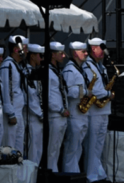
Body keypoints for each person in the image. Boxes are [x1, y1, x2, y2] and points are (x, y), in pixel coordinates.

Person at [83, 38, 113, 182]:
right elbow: (94, 89)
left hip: (104, 109)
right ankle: (91, 175)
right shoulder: (88, 66)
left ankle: (98, 172)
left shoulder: (101, 66)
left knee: (99, 145)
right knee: (92, 143)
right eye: (101, 47)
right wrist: (108, 94)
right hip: (94, 111)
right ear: (93, 49)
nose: (103, 50)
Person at [62, 41, 91, 173]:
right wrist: (86, 92)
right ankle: (70, 174)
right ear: (74, 53)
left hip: (81, 114)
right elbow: (69, 91)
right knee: (71, 148)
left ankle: (75, 172)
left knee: (78, 147)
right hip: (74, 114)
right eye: (83, 51)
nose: (86, 53)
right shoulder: (69, 70)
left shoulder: (79, 69)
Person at [0, 35, 28, 152]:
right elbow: (6, 90)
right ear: (17, 49)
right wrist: (10, 113)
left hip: (19, 110)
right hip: (12, 111)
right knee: (10, 146)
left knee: (19, 146)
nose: (27, 51)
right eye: (25, 48)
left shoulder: (17, 65)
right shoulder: (8, 65)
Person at [47, 41, 70, 172]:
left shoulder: (56, 71)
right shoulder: (48, 72)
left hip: (62, 114)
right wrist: (60, 109)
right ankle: (52, 173)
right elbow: (48, 95)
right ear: (53, 55)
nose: (64, 56)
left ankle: (54, 170)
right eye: (60, 54)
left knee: (57, 148)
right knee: (52, 148)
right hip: (55, 114)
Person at [24, 43, 45, 165]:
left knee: (38, 148)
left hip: (40, 114)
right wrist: (40, 113)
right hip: (33, 115)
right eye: (39, 56)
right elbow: (30, 96)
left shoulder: (37, 71)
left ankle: (36, 174)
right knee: (33, 148)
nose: (41, 59)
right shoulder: (27, 72)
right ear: (32, 56)